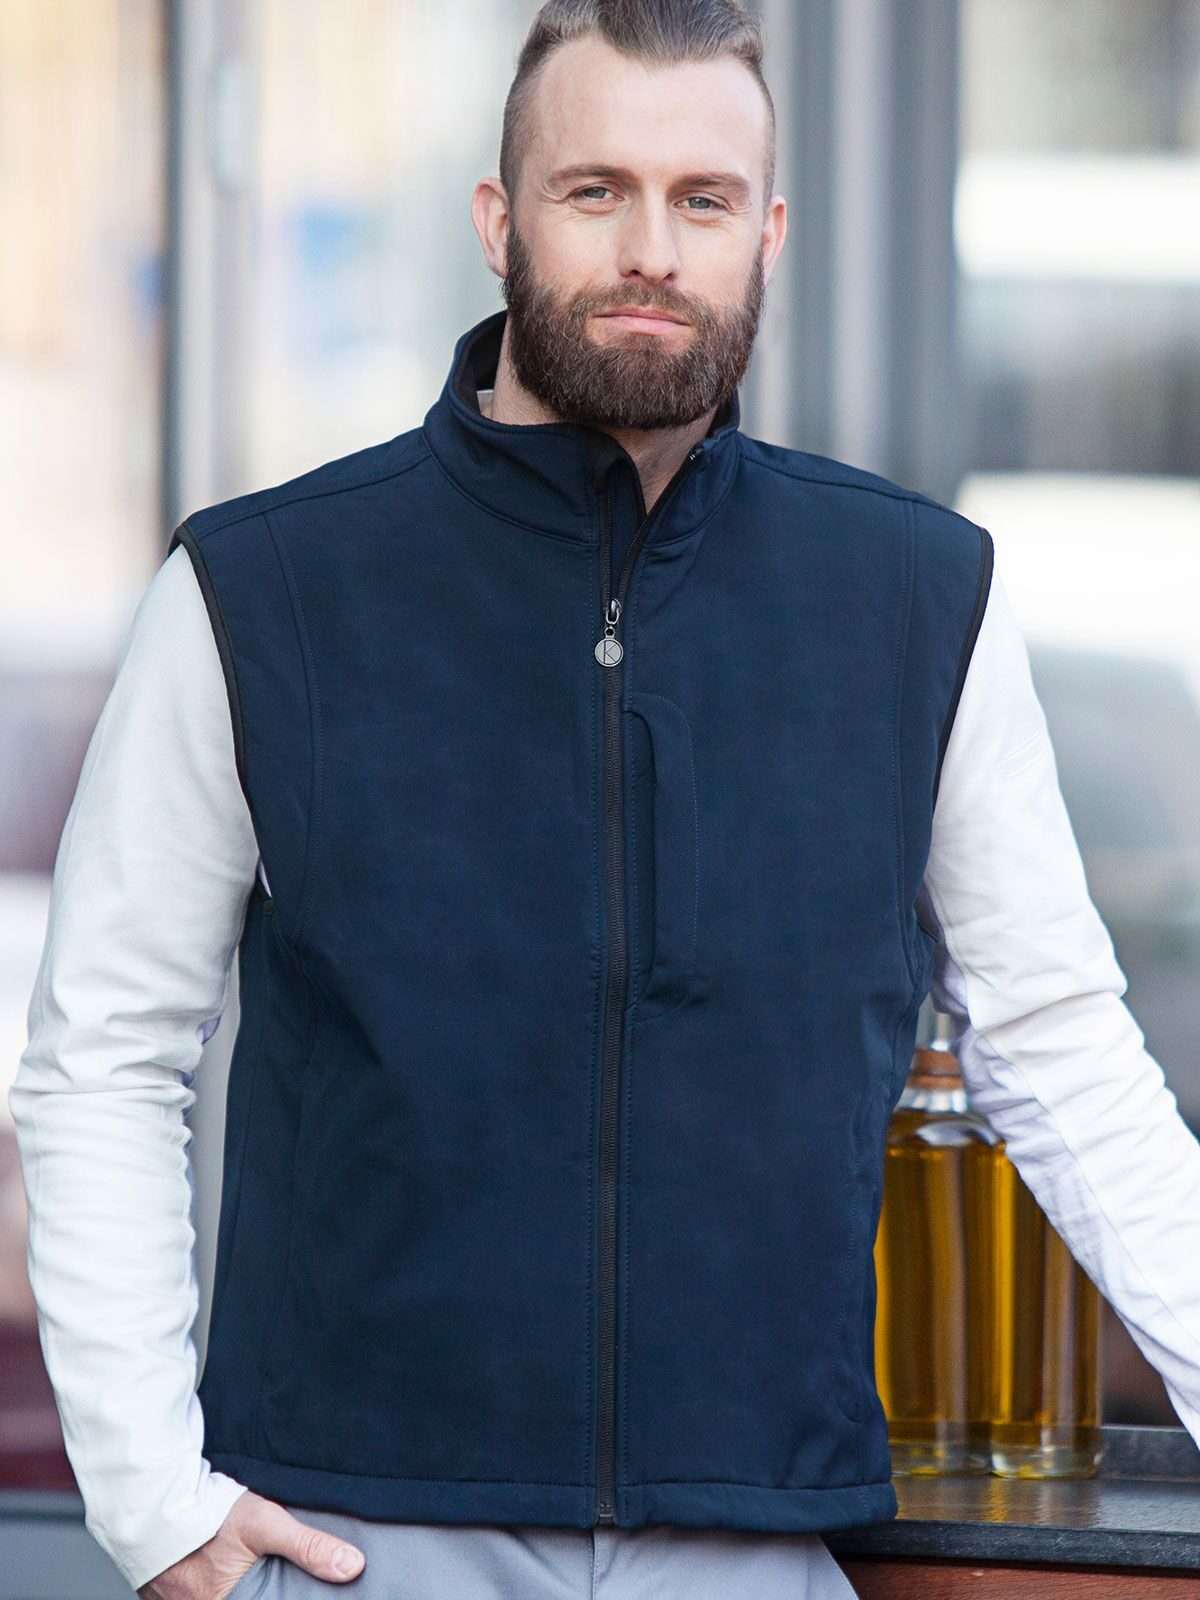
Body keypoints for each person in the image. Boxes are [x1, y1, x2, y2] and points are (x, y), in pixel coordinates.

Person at [12, 2, 1200, 1598]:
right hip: (360, 1543)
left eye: (704, 199)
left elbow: (1060, 1048)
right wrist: (154, 1504)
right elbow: (104, 1054)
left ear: (768, 235)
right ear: (497, 220)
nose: (652, 248)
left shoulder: (917, 596)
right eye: (596, 190)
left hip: (757, 1545)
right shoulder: (262, 589)